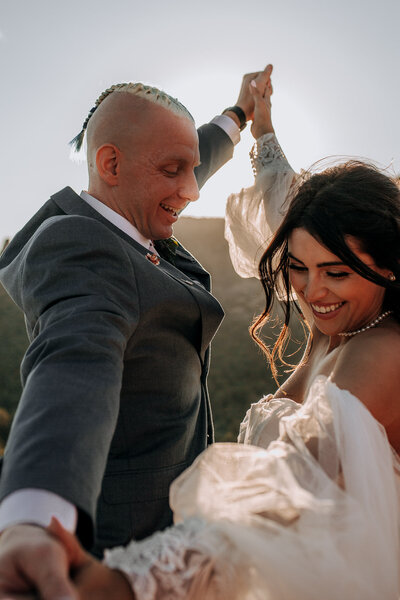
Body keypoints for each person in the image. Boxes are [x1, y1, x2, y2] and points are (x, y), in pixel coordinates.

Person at [32, 68, 400, 599]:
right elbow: (280, 199)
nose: (313, 292)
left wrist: (128, 582)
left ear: (389, 264)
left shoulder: (379, 356)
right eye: (297, 267)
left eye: (336, 272)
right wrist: (254, 122)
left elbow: (288, 492)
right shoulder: (338, 314)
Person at [0, 67, 275, 600]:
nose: (192, 191)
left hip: (178, 530)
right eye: (174, 170)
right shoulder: (84, 247)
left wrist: (238, 114)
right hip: (116, 553)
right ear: (110, 164)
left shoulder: (126, 207)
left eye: (193, 169)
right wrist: (34, 518)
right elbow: (75, 367)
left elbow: (186, 154)